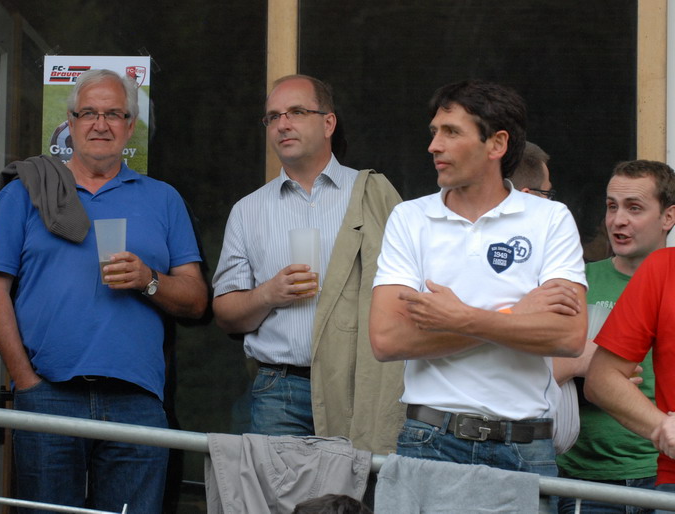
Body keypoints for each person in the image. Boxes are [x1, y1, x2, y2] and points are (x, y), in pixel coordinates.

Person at [0, 69, 207, 513]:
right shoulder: (26, 193)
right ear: (70, 122)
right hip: (48, 392)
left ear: (130, 125)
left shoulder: (163, 199)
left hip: (137, 400)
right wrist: (25, 381)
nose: (100, 124)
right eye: (88, 113)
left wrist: (148, 279)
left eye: (113, 114)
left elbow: (196, 299)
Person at [369, 79, 587, 476]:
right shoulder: (410, 218)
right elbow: (387, 340)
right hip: (432, 437)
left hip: (524, 444)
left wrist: (459, 318)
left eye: (452, 132)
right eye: (435, 132)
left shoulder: (550, 219)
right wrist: (514, 315)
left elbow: (568, 338)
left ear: (497, 144)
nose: (434, 145)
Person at [212, 74, 404, 453]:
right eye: (273, 117)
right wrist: (268, 294)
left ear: (328, 123)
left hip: (359, 385)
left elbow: (408, 289)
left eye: (297, 112)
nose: (283, 124)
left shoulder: (370, 193)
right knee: (280, 491)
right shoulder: (248, 210)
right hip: (281, 390)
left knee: (359, 490)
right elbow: (226, 315)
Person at [555, 160, 675, 513]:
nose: (617, 220)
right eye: (611, 206)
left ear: (668, 217)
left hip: (658, 468)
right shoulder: (576, 282)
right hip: (588, 474)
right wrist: (577, 362)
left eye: (633, 208)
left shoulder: (665, 277)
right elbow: (525, 372)